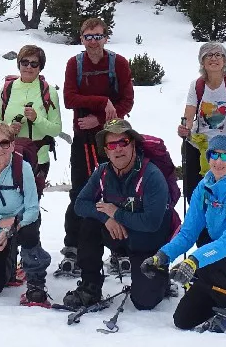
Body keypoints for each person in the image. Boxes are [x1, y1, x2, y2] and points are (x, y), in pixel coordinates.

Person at [143, 134, 226, 333]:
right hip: (217, 265)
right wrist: (162, 256)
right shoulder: (203, 188)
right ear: (208, 158)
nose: (219, 161)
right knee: (183, 319)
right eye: (214, 155)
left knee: (204, 266)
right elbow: (188, 233)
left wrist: (194, 261)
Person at [66, 120, 173, 311]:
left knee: (144, 302)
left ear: (133, 144)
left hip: (147, 243)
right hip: (120, 236)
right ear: (106, 151)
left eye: (123, 142)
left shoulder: (151, 175)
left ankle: (161, 277)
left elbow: (152, 223)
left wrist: (115, 212)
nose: (118, 149)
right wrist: (106, 219)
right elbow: (80, 204)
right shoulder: (103, 172)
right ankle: (90, 286)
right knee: (90, 224)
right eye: (112, 145)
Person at [59, 17, 134, 276]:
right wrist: (103, 102)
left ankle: (119, 247)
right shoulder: (75, 64)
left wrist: (100, 119)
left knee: (117, 191)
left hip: (115, 139)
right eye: (88, 36)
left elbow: (127, 101)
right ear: (81, 38)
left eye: (97, 36)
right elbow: (69, 98)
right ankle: (74, 247)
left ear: (105, 37)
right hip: (83, 138)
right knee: (80, 192)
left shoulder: (119, 64)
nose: (93, 41)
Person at [0, 122, 51, 306]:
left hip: (20, 223)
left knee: (29, 232)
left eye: (5, 143)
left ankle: (36, 280)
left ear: (12, 145)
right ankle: (10, 263)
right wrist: (0, 223)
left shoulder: (23, 168)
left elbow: (32, 209)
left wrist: (11, 228)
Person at [179, 42, 226, 201]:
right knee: (195, 195)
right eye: (209, 55)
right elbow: (189, 116)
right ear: (202, 61)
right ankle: (200, 225)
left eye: (218, 55)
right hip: (198, 145)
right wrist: (185, 128)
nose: (214, 59)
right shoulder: (197, 85)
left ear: (225, 60)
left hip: (225, 146)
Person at [0, 43, 63, 196]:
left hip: (38, 158)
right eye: (24, 62)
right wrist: (8, 128)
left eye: (34, 63)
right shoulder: (7, 89)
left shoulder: (49, 92)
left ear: (40, 67)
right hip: (7, 158)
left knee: (32, 206)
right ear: (19, 64)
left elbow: (56, 129)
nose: (29, 67)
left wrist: (37, 119)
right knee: (8, 204)